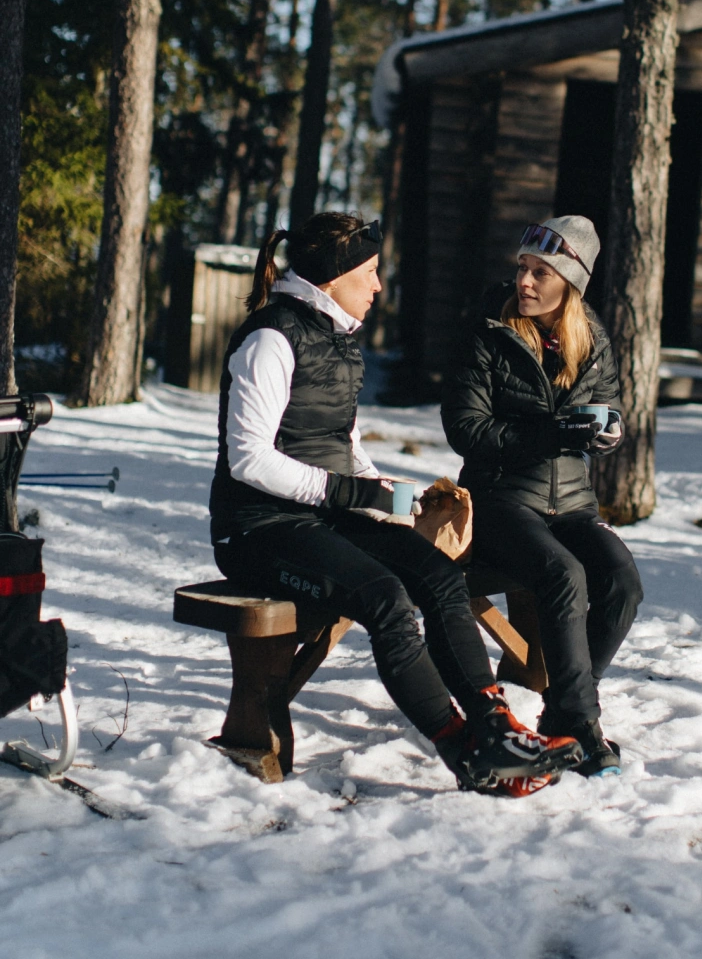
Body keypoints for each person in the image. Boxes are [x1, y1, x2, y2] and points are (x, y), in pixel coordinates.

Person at [209, 212, 582, 797]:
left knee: (438, 574)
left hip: (326, 515)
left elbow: (345, 445)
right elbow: (248, 459)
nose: (379, 285)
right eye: (372, 272)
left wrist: (395, 498)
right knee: (383, 598)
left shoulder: (338, 339)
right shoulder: (270, 338)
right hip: (258, 529)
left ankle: (494, 725)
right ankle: (463, 751)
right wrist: (351, 493)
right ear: (334, 277)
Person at [442, 215, 644, 777]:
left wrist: (609, 433)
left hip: (573, 502)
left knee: (622, 582)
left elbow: (608, 408)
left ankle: (563, 711)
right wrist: (552, 433)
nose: (524, 282)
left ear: (571, 283)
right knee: (561, 574)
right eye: (522, 269)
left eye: (541, 272)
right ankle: (581, 728)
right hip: (501, 499)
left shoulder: (591, 336)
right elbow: (467, 431)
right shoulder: (488, 330)